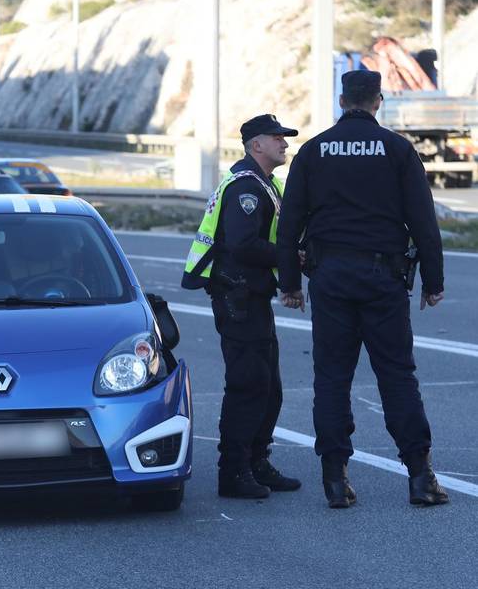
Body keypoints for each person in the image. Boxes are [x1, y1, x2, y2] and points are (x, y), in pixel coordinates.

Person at [276, 70, 449, 508]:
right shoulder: (396, 149)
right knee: (397, 377)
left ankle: (335, 480)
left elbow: (290, 223)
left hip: (330, 278)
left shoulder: (314, 151)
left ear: (341, 99)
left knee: (332, 378)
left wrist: (290, 283)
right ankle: (420, 478)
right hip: (382, 279)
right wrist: (433, 280)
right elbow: (423, 222)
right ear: (378, 100)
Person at [182, 114, 302, 499]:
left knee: (270, 387)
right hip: (238, 299)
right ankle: (233, 472)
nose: (284, 143)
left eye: (284, 138)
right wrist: (291, 257)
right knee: (248, 385)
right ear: (256, 145)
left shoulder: (265, 184)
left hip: (252, 298)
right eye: (277, 137)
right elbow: (242, 244)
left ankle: (256, 461)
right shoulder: (245, 189)